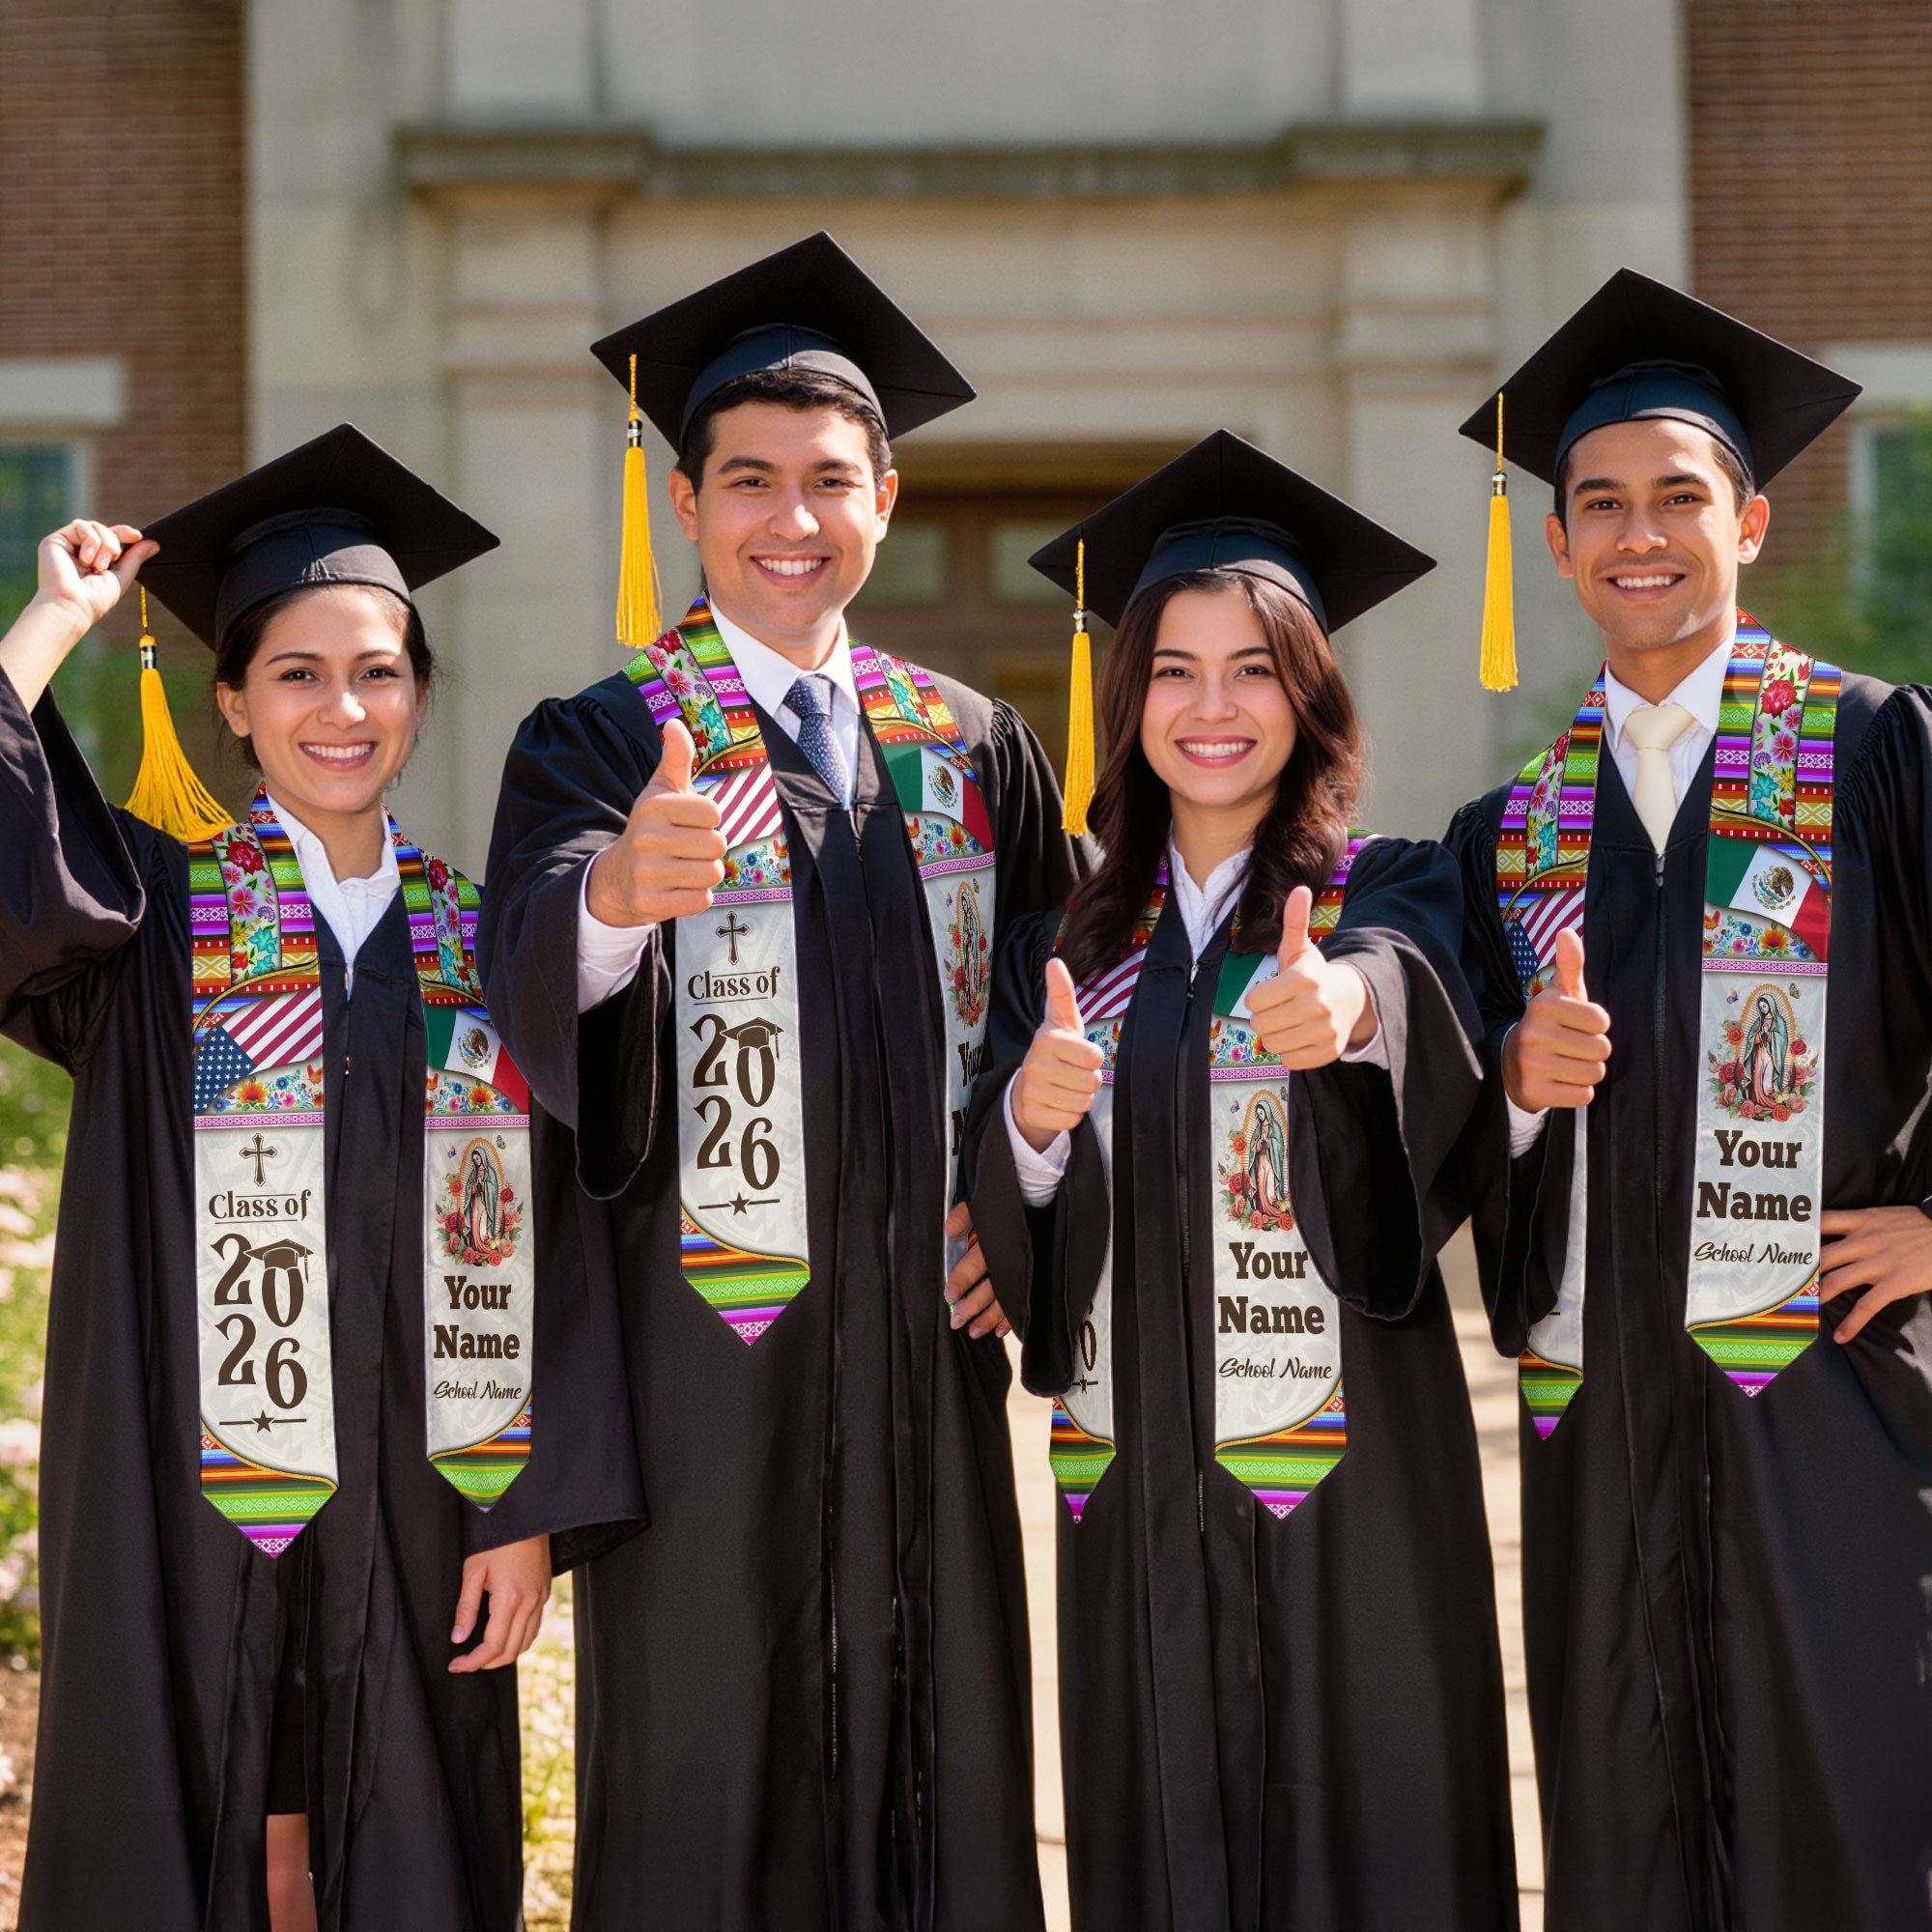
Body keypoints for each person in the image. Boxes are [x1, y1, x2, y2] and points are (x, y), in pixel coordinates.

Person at [478, 233, 1083, 1930]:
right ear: (686, 504)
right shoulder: (604, 737)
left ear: (886, 498)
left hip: (924, 1361)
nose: (790, 518)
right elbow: (529, 960)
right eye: (748, 481)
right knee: (711, 1766)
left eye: (829, 480)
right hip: (707, 1368)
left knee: (940, 1754)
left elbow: (1067, 1002)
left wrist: (1019, 1204)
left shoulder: (971, 745)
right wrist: (613, 899)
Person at [0, 425, 641, 1931]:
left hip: (425, 1495)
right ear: (231, 701)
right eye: (296, 673)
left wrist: (523, 1508)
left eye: (378, 672)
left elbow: (560, 1244)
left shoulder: (485, 944)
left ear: (418, 693)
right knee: (198, 1805)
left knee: (404, 1831)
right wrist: (53, 622)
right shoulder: (153, 922)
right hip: (184, 1485)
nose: (341, 709)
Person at [962, 432, 1518, 1931]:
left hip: (1346, 1478)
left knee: (1370, 1830)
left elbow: (1408, 991)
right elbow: (1013, 1212)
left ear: (1310, 693)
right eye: (1175, 671)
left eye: (1254, 670)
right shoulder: (1065, 946)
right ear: (1127, 698)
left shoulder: (1389, 885)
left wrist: (1347, 1011)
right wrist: (1029, 1124)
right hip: (1136, 1478)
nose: (1213, 709)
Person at [1446, 270, 1932, 1930]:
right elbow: (1446, 1134)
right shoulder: (1513, 835)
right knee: (1626, 1824)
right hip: (1604, 1419)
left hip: (1830, 1393)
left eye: (1677, 497)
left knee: (1852, 1814)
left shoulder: (1873, 755)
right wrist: (1513, 1089)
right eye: (1599, 504)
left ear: (1752, 522)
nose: (1637, 534)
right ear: (1558, 542)